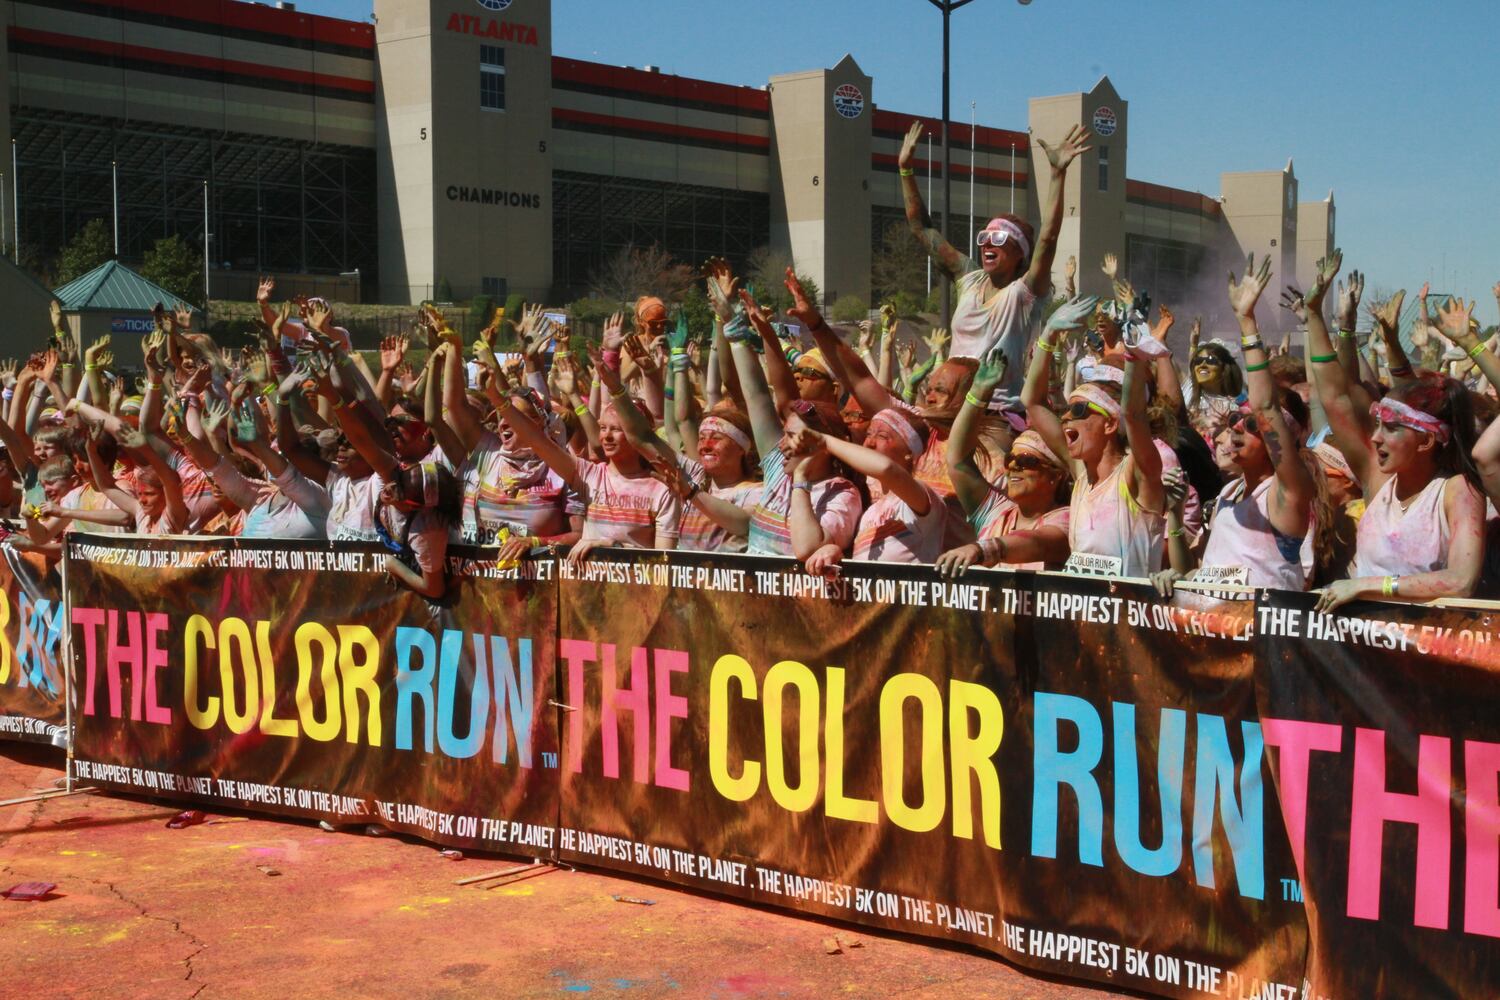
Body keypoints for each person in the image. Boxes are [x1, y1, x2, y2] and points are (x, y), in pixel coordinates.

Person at [1303, 252, 1486, 610]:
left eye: (1390, 428)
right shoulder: (1378, 478)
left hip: (1422, 643)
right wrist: (1315, 315)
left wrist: (1368, 586)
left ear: (1427, 440)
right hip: (1361, 641)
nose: (1375, 438)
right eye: (1378, 426)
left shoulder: (1457, 491)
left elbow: (1461, 581)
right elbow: (1336, 396)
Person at [1152, 255, 1318, 596]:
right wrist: (1174, 565)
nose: (1237, 429)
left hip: (1261, 630)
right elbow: (1199, 572)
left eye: (1253, 425)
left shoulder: (1285, 493)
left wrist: (1246, 321)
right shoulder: (1227, 495)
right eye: (1234, 421)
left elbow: (1266, 406)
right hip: (1210, 627)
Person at [897, 118, 1090, 395]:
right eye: (983, 237)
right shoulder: (970, 280)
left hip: (996, 409)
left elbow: (1048, 239)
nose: (988, 243)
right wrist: (905, 169)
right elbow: (922, 229)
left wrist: (1057, 175)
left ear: (1020, 253)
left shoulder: (1023, 293)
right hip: (948, 403)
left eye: (998, 239)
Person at [1022, 295, 1167, 578]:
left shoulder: (1137, 473)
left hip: (1130, 607)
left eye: (1078, 410)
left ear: (1110, 424)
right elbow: (1033, 402)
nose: (1066, 417)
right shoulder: (1081, 475)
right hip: (1083, 607)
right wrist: (1048, 335)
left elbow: (1133, 415)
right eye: (1067, 409)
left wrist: (1133, 356)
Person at [936, 354, 1071, 576]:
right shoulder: (996, 513)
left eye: (1027, 460)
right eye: (1010, 459)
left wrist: (984, 549)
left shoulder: (1067, 519)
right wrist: (978, 394)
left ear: (1055, 476)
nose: (1013, 466)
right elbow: (957, 460)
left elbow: (1039, 542)